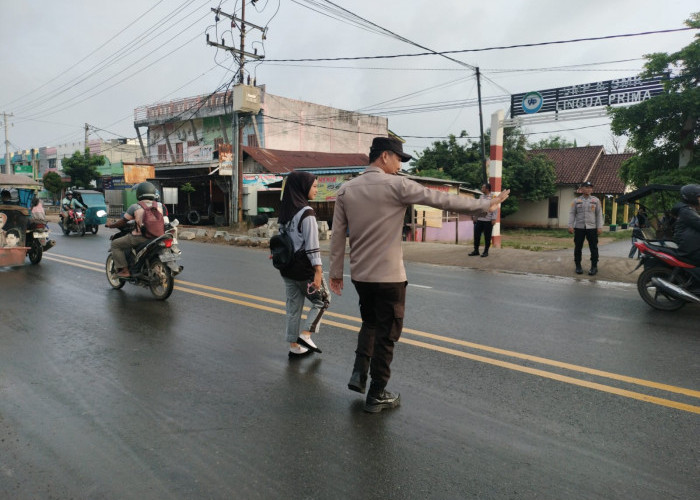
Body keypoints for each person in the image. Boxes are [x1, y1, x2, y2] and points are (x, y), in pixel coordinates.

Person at [329, 136, 509, 413]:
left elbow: (338, 234)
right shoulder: (398, 185)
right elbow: (441, 200)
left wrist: (336, 273)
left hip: (361, 276)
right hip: (389, 277)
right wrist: (486, 205)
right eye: (399, 158)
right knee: (387, 334)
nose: (400, 164)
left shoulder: (346, 190)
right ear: (385, 156)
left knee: (370, 324)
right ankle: (377, 393)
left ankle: (359, 372)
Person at [277, 171, 331, 358]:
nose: (317, 190)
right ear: (302, 188)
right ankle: (306, 335)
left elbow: (281, 240)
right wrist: (318, 271)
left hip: (287, 269)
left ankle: (294, 345)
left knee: (293, 307)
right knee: (323, 300)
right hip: (305, 270)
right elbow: (312, 247)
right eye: (314, 186)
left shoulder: (285, 212)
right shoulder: (307, 213)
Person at [105, 181, 165, 278]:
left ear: (139, 193)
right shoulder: (160, 206)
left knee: (115, 244)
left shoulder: (135, 207)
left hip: (140, 237)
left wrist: (111, 225)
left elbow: (123, 221)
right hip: (159, 236)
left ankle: (125, 270)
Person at [568, 181, 603, 275]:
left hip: (592, 228)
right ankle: (578, 266)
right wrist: (570, 225)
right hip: (579, 227)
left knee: (593, 248)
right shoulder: (576, 201)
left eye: (590, 187)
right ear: (582, 189)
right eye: (586, 187)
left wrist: (599, 227)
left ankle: (594, 267)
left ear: (592, 189)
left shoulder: (596, 200)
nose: (588, 189)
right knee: (578, 247)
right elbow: (572, 214)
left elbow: (599, 214)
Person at [672, 184, 700, 267]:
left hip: (693, 246)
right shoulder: (686, 211)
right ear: (692, 197)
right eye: (699, 197)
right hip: (691, 249)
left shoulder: (689, 210)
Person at [468, 183, 497, 257]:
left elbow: (495, 208)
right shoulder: (481, 196)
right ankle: (476, 250)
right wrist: (475, 217)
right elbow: (478, 208)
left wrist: (493, 218)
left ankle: (486, 252)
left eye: (483, 187)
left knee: (487, 236)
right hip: (480, 219)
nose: (481, 189)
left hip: (488, 220)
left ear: (487, 189)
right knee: (476, 235)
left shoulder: (493, 196)